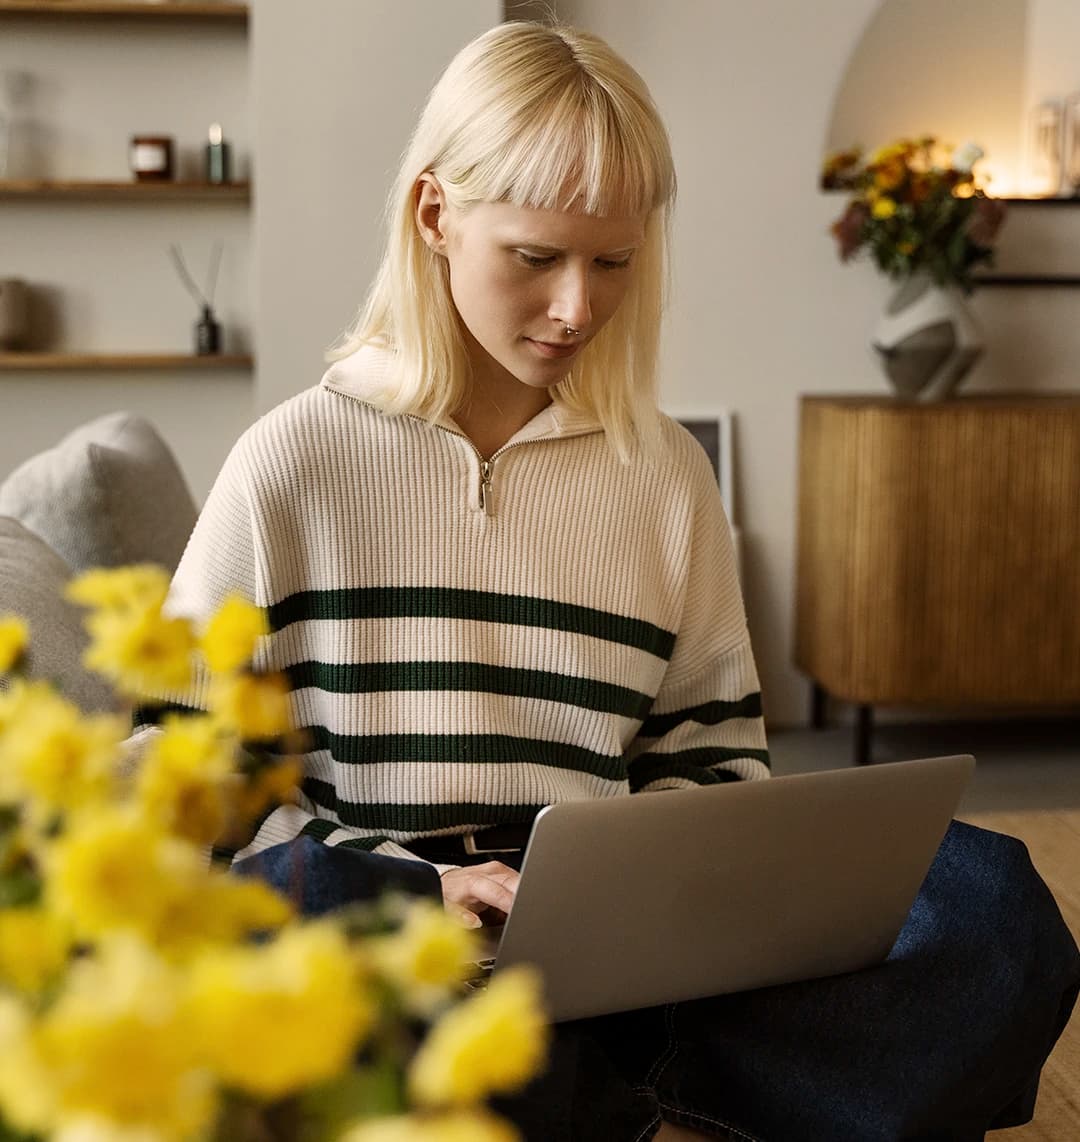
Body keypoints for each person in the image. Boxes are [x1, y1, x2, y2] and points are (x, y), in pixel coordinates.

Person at [165, 21, 1079, 1142]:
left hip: (622, 956)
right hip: (399, 944)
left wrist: (661, 898)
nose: (576, 310)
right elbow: (182, 793)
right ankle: (655, 1096)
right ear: (436, 216)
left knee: (993, 909)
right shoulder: (288, 463)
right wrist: (407, 896)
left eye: (614, 263)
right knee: (314, 974)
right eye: (536, 257)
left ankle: (610, 1091)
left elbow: (714, 761)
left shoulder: (665, 477)